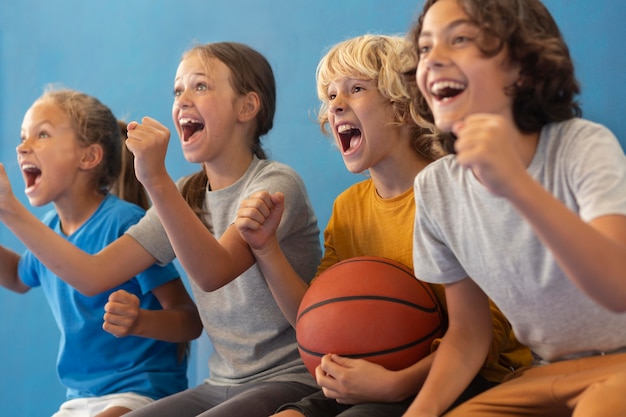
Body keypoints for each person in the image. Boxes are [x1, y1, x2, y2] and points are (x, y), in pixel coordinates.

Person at [0, 42, 322, 417]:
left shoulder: (276, 184)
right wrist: (10, 214)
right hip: (221, 384)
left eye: (199, 86)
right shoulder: (186, 192)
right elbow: (93, 275)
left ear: (247, 107)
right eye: (177, 90)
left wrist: (155, 178)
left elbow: (213, 272)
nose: (183, 99)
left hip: (288, 378)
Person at [235, 34, 531, 417]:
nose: (336, 106)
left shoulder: (454, 191)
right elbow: (316, 320)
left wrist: (396, 385)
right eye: (330, 96)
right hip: (377, 373)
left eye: (355, 89)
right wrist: (266, 248)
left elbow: (485, 335)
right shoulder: (349, 208)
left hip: (474, 377)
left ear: (405, 108)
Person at [403, 0, 626, 416]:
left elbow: (618, 287)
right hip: (542, 375)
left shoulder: (582, 145)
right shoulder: (435, 188)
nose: (433, 60)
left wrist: (516, 186)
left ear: (523, 65)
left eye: (460, 39)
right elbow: (468, 335)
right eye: (425, 48)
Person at [0, 87, 202, 417]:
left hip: (144, 391)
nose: (22, 147)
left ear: (89, 157)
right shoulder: (49, 230)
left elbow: (189, 320)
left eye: (42, 134)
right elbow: (16, 275)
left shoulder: (125, 223)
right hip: (81, 397)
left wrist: (140, 321)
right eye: (24, 137)